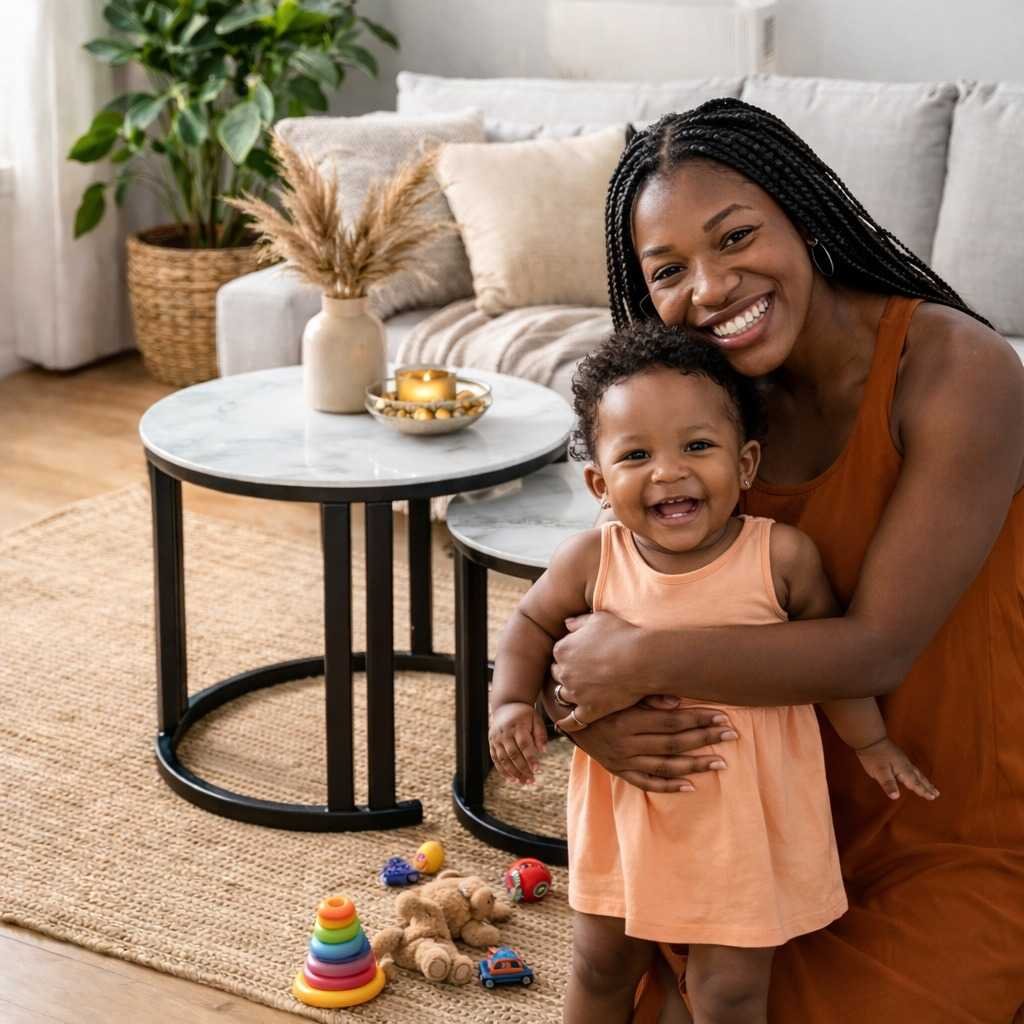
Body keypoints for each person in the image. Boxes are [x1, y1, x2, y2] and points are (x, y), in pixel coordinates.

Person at [541, 98, 1024, 1023]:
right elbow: (609, 591)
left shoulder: (959, 371)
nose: (712, 287)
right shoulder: (702, 418)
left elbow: (876, 650)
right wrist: (583, 716)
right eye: (670, 270)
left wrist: (633, 665)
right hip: (754, 820)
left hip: (954, 824)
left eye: (736, 238)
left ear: (804, 215)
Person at [488, 324, 938, 1024]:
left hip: (743, 827)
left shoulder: (780, 559)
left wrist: (871, 741)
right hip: (626, 817)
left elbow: (831, 661)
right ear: (599, 483)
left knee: (728, 993)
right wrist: (513, 703)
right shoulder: (592, 560)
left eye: (698, 446)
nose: (669, 472)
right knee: (601, 964)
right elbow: (530, 625)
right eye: (637, 455)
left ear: (747, 463)